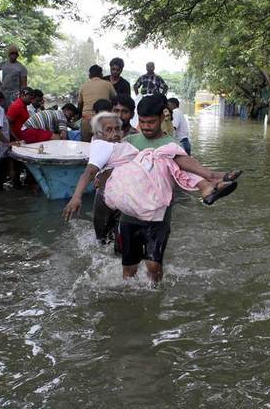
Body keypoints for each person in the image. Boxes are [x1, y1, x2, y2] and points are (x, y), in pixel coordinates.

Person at [63, 109, 241, 284]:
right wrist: (77, 196)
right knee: (128, 266)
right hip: (130, 210)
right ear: (98, 134)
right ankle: (209, 181)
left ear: (162, 118)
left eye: (117, 129)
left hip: (156, 213)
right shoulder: (106, 145)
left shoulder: (131, 141)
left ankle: (208, 184)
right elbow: (89, 172)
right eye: (109, 130)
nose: (115, 133)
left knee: (168, 158)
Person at [78, 65, 117, 142]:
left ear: (89, 76)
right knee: (103, 145)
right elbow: (115, 99)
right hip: (102, 120)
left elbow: (79, 104)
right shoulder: (108, 84)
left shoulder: (83, 86)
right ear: (101, 75)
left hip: (86, 120)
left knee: (85, 146)